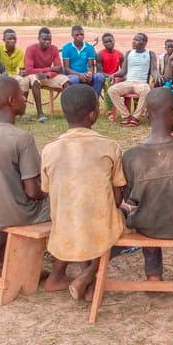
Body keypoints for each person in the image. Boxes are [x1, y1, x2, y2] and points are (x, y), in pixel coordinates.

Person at [0, 77, 66, 291]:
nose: (25, 99)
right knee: (67, 202)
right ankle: (61, 270)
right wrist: (51, 191)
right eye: (22, 96)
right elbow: (32, 192)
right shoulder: (21, 138)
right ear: (11, 100)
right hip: (17, 212)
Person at [42, 84, 127, 300]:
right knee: (120, 221)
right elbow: (118, 198)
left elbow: (47, 190)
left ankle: (74, 278)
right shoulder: (110, 146)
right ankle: (88, 276)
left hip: (64, 227)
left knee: (81, 217)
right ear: (93, 114)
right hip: (98, 229)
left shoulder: (49, 149)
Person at [123, 88, 173, 282]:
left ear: (147, 114)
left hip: (148, 226)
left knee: (146, 208)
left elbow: (128, 198)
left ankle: (153, 275)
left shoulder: (131, 156)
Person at [107, 33, 159, 127]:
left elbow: (154, 70)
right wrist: (113, 75)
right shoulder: (129, 53)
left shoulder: (150, 53)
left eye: (137, 40)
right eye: (133, 39)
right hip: (128, 82)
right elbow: (123, 71)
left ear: (144, 42)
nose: (133, 42)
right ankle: (126, 116)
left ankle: (136, 117)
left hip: (141, 83)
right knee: (112, 90)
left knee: (146, 90)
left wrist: (156, 76)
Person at [24, 27, 69, 123]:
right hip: (35, 75)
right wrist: (48, 69)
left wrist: (48, 74)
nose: (47, 42)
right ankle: (40, 114)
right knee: (35, 81)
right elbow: (29, 70)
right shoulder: (30, 49)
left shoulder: (54, 49)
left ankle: (68, 111)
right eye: (44, 39)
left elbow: (59, 68)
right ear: (38, 39)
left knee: (66, 80)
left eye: (49, 39)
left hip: (48, 76)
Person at [62, 25, 105, 96]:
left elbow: (91, 65)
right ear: (72, 35)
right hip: (72, 75)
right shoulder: (66, 48)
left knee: (99, 77)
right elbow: (66, 69)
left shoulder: (89, 47)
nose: (80, 36)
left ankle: (94, 100)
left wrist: (90, 74)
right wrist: (79, 75)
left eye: (82, 34)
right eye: (77, 35)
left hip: (85, 74)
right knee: (74, 79)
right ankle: (76, 102)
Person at [0, 29, 31, 102]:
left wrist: (22, 72)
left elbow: (21, 68)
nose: (12, 41)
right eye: (9, 39)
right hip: (1, 74)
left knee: (24, 80)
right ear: (4, 40)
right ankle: (3, 107)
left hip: (15, 75)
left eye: (14, 39)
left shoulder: (20, 52)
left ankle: (22, 107)